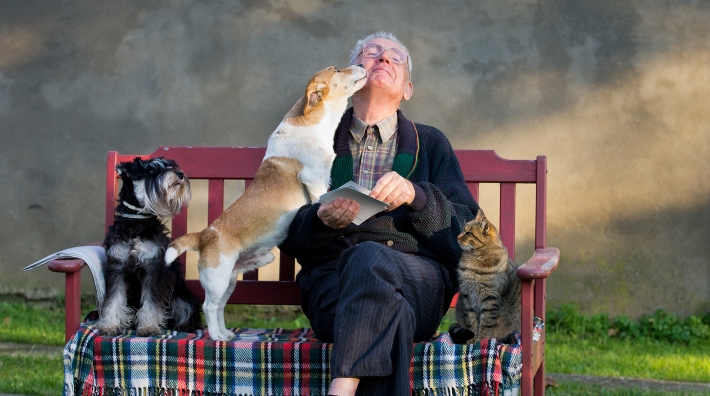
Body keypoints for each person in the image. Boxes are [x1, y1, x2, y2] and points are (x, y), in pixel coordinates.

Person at [279, 31, 480, 396]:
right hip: (333, 289)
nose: (383, 58)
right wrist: (321, 220)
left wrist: (417, 197)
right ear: (352, 76)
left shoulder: (431, 144)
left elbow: (470, 238)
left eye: (395, 57)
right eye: (371, 53)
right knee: (392, 314)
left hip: (418, 282)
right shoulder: (312, 142)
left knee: (371, 259)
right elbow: (287, 235)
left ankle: (341, 388)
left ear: (408, 89)